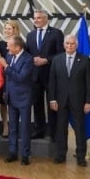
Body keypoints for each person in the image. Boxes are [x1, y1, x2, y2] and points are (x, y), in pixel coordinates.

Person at [48, 35, 90, 167]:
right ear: (63, 45)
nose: (69, 46)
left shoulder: (85, 60)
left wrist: (88, 102)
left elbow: (89, 84)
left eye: (72, 44)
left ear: (76, 45)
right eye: (67, 43)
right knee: (61, 129)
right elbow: (52, 82)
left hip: (79, 101)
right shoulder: (57, 59)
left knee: (80, 130)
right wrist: (52, 99)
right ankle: (61, 155)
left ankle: (80, 157)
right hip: (60, 101)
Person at [26, 9, 64, 140]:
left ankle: (54, 132)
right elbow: (28, 54)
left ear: (46, 19)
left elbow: (60, 54)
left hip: (51, 75)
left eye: (39, 18)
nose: (35, 20)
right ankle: (39, 130)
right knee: (37, 104)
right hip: (35, 75)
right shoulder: (30, 35)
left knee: (52, 104)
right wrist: (32, 60)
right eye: (34, 18)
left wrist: (46, 60)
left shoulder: (56, 33)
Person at [0, 35, 34, 165]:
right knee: (12, 127)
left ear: (18, 47)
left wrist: (6, 67)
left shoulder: (28, 59)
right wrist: (6, 92)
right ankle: (12, 152)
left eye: (9, 45)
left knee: (24, 128)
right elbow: (8, 79)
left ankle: (25, 155)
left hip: (24, 98)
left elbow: (20, 77)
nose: (7, 48)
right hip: (11, 97)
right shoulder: (9, 56)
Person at [0, 20, 21, 138]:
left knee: (14, 102)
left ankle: (14, 125)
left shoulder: (21, 43)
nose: (6, 31)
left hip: (16, 76)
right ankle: (5, 125)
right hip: (3, 76)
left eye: (9, 28)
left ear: (15, 30)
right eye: (5, 28)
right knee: (3, 102)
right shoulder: (0, 44)